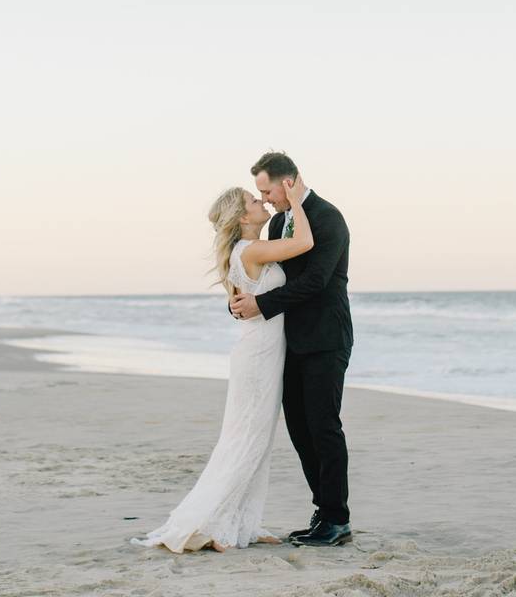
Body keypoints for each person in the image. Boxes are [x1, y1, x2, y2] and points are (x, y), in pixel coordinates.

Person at [129, 175, 313, 553]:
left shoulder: (244, 251)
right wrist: (296, 201)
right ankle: (210, 522)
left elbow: (241, 305)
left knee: (255, 440)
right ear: (242, 218)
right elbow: (305, 243)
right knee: (245, 440)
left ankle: (243, 523)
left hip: (260, 353)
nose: (261, 202)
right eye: (253, 201)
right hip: (259, 358)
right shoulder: (251, 249)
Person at [229, 151, 354, 547]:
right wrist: (241, 303)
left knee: (324, 427)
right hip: (289, 342)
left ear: (289, 182)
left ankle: (337, 519)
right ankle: (322, 512)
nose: (264, 199)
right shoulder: (282, 221)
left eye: (267, 190)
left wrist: (262, 307)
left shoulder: (327, 217)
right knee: (301, 430)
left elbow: (316, 280)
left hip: (325, 339)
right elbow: (267, 274)